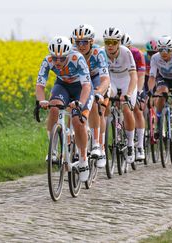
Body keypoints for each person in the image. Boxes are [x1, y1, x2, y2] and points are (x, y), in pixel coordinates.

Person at [36, 36, 93, 182]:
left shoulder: (77, 58)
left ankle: (83, 159)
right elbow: (40, 86)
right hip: (62, 86)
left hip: (81, 88)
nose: (58, 62)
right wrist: (41, 100)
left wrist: (80, 103)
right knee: (53, 106)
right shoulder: (47, 60)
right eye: (55, 58)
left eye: (62, 59)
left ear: (68, 55)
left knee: (77, 121)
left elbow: (87, 85)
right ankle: (53, 150)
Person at [72, 24, 110, 168]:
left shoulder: (99, 52)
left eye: (84, 42)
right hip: (80, 81)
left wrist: (99, 91)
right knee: (73, 104)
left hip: (96, 79)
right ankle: (72, 141)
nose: (81, 46)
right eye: (78, 42)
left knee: (95, 102)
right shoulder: (72, 53)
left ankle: (97, 144)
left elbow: (105, 79)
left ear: (91, 42)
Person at [103, 27, 138, 164]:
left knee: (126, 108)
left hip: (126, 81)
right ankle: (103, 141)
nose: (110, 45)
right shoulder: (102, 52)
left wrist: (128, 94)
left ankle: (130, 145)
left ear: (119, 43)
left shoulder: (126, 52)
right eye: (107, 42)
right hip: (111, 81)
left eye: (113, 42)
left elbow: (134, 75)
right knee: (104, 103)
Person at [147, 35, 172, 152]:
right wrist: (150, 90)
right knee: (161, 92)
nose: (164, 53)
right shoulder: (155, 58)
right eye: (161, 50)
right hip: (163, 79)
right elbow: (152, 76)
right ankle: (159, 123)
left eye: (167, 50)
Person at [121, 33, 147, 161]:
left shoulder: (137, 54)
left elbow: (141, 75)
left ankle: (140, 146)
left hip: (133, 80)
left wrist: (139, 91)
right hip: (119, 80)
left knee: (136, 108)